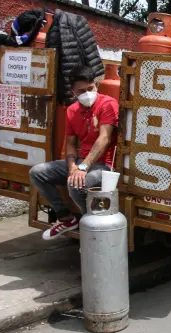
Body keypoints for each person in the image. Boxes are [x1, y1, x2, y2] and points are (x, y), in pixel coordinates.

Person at [29, 65, 119, 240]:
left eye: (90, 88)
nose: (87, 93)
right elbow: (70, 143)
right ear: (73, 92)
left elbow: (104, 139)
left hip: (104, 165)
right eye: (81, 91)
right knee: (37, 172)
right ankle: (66, 218)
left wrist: (83, 167)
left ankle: (90, 225)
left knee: (76, 182)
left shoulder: (108, 104)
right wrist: (72, 166)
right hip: (80, 162)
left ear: (96, 85)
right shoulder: (72, 110)